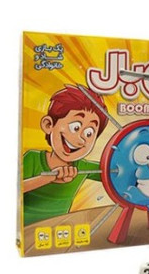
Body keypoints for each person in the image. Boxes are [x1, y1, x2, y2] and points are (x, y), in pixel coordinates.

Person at [22, 85, 109, 225]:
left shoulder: (83, 167)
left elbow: (112, 173)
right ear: (48, 125)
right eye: (75, 127)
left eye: (89, 133)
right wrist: (50, 177)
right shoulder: (33, 158)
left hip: (60, 230)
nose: (80, 139)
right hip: (27, 228)